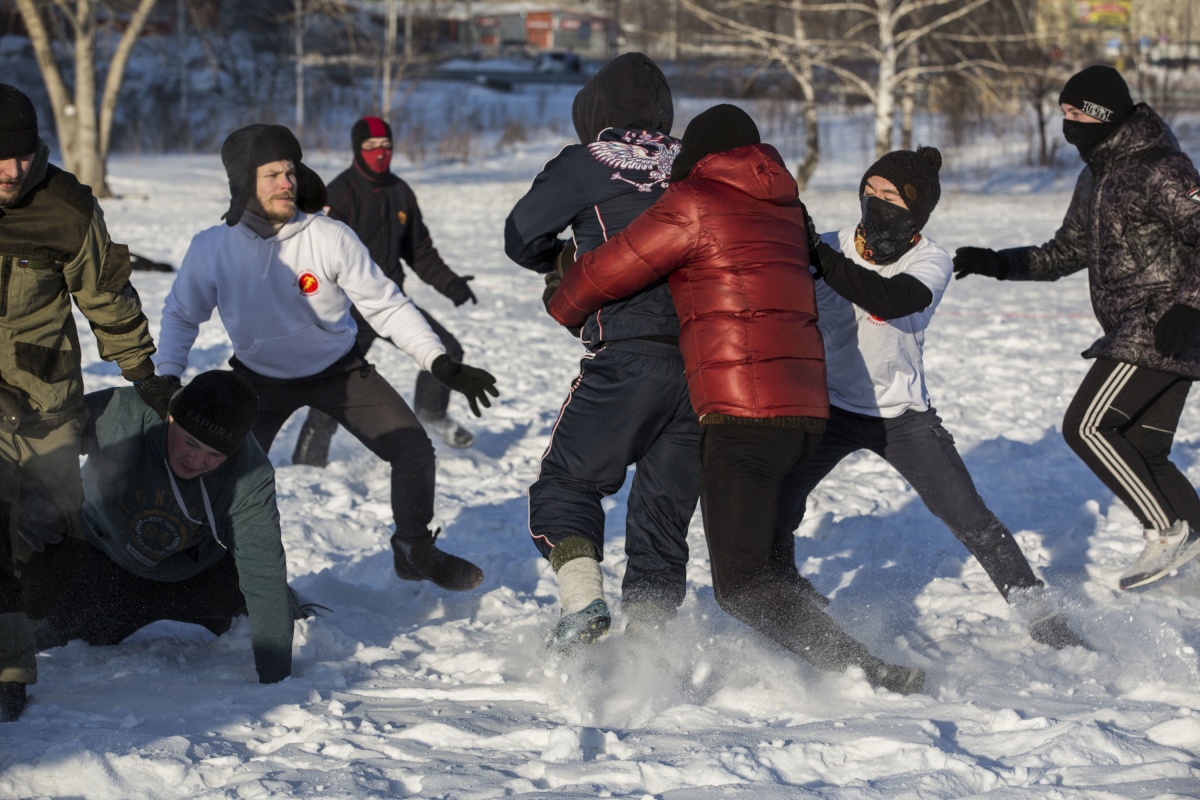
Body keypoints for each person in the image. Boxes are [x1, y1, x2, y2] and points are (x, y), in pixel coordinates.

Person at [550, 104, 925, 694]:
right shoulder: (785, 210)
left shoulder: (695, 202)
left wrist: (562, 291)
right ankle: (842, 660)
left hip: (744, 416)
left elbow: (610, 272)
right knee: (763, 568)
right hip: (804, 414)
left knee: (743, 586)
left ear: (699, 157)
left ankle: (871, 673)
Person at [157, 123, 498, 598]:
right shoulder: (212, 248)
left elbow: (387, 305)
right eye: (272, 174)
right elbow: (181, 314)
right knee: (215, 470)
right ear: (242, 184)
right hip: (257, 380)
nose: (287, 183)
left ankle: (413, 548)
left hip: (340, 372)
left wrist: (438, 361)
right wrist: (167, 375)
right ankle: (210, 569)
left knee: (413, 449)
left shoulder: (330, 236)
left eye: (290, 172)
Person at [772, 146, 1089, 650]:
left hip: (902, 417)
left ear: (915, 211)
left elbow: (894, 300)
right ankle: (784, 590)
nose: (874, 200)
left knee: (971, 518)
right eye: (869, 189)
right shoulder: (828, 246)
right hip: (829, 410)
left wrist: (821, 257)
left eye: (890, 195)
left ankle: (1044, 620)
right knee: (776, 500)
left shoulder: (929, 259)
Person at [953, 65, 1200, 591]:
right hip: (1149, 325)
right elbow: (1065, 252)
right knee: (1146, 450)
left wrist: (1191, 305)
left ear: (1106, 114)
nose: (1068, 123)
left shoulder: (1161, 167)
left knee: (1087, 426)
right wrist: (998, 262)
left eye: (1077, 112)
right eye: (1062, 112)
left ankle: (1166, 531)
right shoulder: (1098, 174)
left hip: (1160, 323)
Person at [504, 53, 701, 648]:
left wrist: (564, 263)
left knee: (566, 484)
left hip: (629, 352)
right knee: (661, 515)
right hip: (707, 363)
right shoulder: (699, 162)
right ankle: (650, 651)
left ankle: (583, 600)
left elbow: (520, 235)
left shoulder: (589, 159)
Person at [0, 84, 173, 722]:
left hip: (47, 403)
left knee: (55, 539)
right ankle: (10, 667)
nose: (11, 171)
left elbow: (104, 295)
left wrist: (144, 373)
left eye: (20, 156)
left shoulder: (65, 207)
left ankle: (35, 619)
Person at [36, 371, 294, 685]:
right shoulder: (120, 413)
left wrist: (277, 679)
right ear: (171, 417)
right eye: (190, 443)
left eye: (214, 455)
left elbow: (262, 566)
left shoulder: (251, 473)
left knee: (271, 613)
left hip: (198, 575)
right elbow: (38, 442)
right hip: (104, 562)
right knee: (50, 634)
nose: (196, 461)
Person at [292, 115, 479, 461]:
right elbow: (311, 258)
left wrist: (450, 283)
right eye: (371, 147)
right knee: (335, 385)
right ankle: (308, 461)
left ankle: (432, 414)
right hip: (346, 312)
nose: (381, 153)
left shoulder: (400, 192)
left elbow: (419, 250)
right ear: (356, 150)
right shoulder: (337, 195)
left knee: (446, 350)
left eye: (387, 146)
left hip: (391, 304)